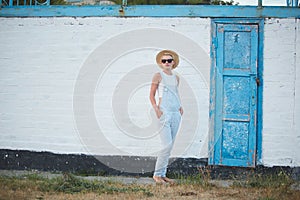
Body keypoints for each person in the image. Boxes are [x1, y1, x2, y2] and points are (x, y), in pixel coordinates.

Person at [149, 50, 183, 184]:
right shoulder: (158, 76)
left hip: (176, 113)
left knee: (171, 145)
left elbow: (174, 93)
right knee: (166, 145)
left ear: (173, 62)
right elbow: (151, 94)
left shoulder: (176, 77)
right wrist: (156, 109)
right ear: (160, 63)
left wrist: (180, 106)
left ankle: (163, 174)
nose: (167, 63)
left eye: (169, 60)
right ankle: (157, 174)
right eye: (164, 61)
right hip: (164, 112)